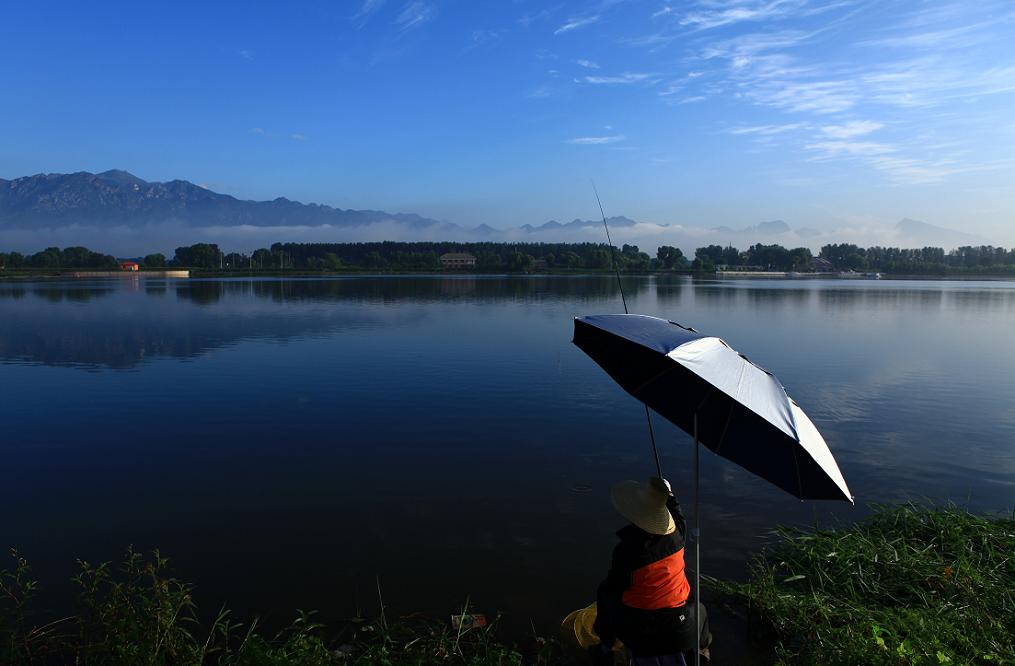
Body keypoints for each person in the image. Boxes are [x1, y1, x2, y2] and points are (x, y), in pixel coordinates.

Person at [592, 476, 711, 663]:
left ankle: (608, 645)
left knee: (605, 591)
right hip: (680, 625)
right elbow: (680, 518)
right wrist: (670, 496)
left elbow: (615, 587)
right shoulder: (678, 536)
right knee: (700, 608)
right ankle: (702, 649)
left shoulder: (627, 551)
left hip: (642, 632)